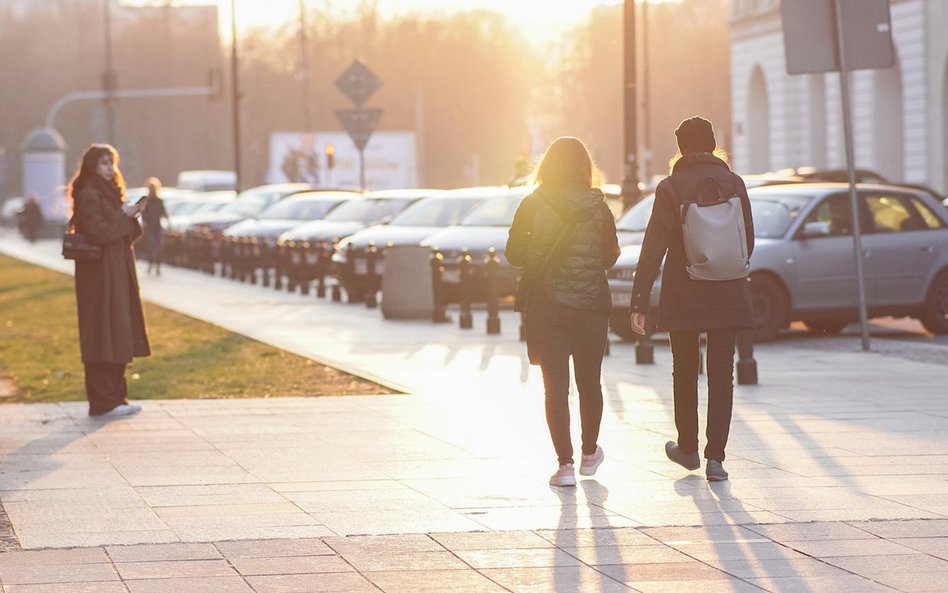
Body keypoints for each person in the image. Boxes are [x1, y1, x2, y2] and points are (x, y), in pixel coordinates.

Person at [629, 117, 755, 482]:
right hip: (727, 288)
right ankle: (716, 457)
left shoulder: (670, 188)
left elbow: (653, 247)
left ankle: (687, 448)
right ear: (714, 145)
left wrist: (639, 301)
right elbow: (748, 238)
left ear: (681, 148)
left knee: (684, 369)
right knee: (721, 372)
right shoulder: (734, 183)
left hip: (684, 290)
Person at [505, 136, 621, 487]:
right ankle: (589, 453)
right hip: (591, 308)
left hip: (546, 306)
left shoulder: (532, 204)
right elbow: (610, 255)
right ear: (584, 167)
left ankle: (565, 465)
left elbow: (513, 254)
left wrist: (540, 256)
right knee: (590, 383)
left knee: (554, 387)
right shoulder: (599, 207)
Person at [68, 144, 151, 417]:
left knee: (119, 332)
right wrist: (123, 216)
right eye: (104, 163)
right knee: (102, 334)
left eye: (112, 164)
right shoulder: (89, 194)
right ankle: (104, 401)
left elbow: (122, 234)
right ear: (93, 166)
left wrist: (131, 216)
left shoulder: (110, 194)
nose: (110, 169)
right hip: (100, 278)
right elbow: (97, 233)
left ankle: (117, 397)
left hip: (117, 274)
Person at [139, 176, 169, 276]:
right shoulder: (147, 201)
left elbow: (163, 212)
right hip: (150, 227)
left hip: (156, 226)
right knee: (152, 246)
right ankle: (151, 263)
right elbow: (144, 213)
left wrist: (168, 222)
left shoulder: (158, 200)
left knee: (158, 247)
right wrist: (144, 222)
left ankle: (157, 265)